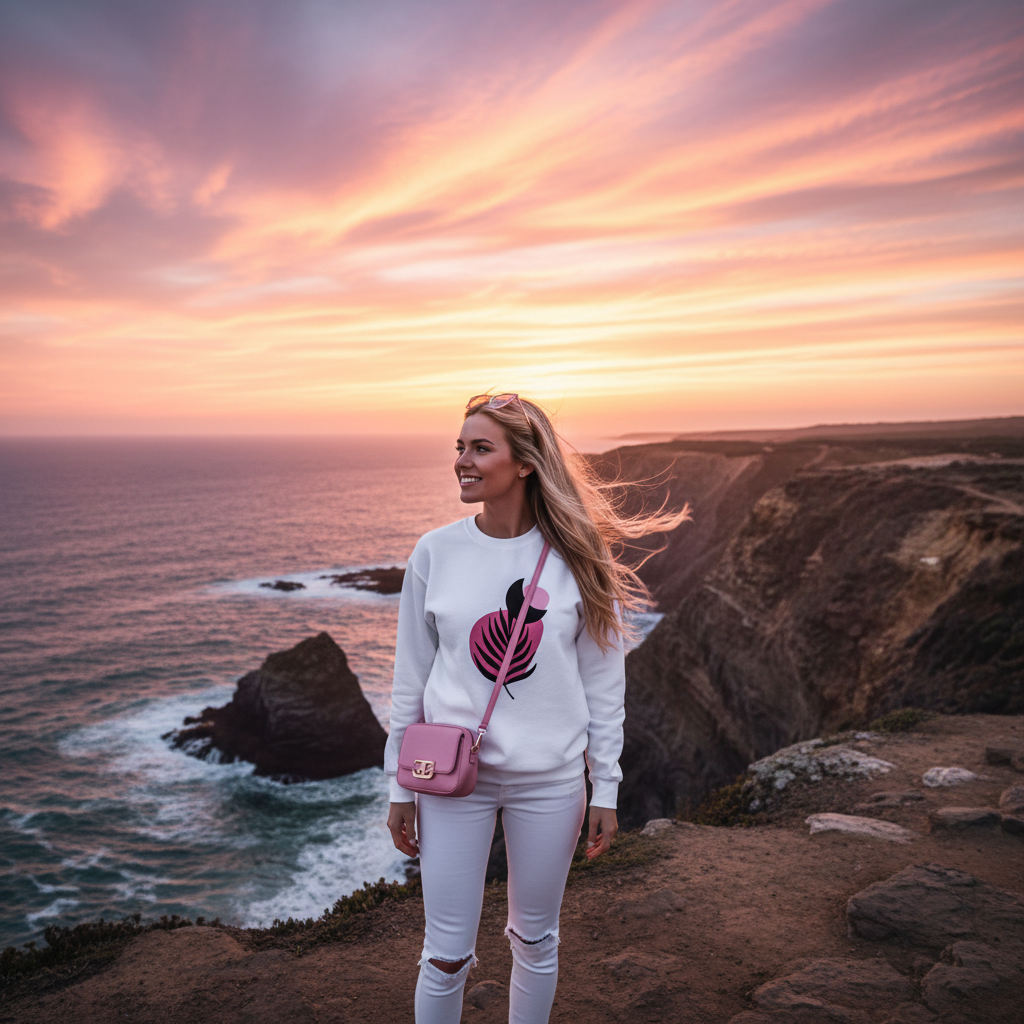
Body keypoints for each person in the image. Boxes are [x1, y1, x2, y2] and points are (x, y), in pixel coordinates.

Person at [385, 393, 688, 1024]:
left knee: (535, 941)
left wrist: (606, 786)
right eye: (459, 447)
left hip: (550, 783)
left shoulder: (579, 557)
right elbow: (409, 679)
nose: (462, 461)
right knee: (444, 955)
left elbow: (605, 683)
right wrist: (399, 786)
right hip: (450, 782)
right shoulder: (434, 553)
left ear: (525, 463)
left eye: (480, 448)